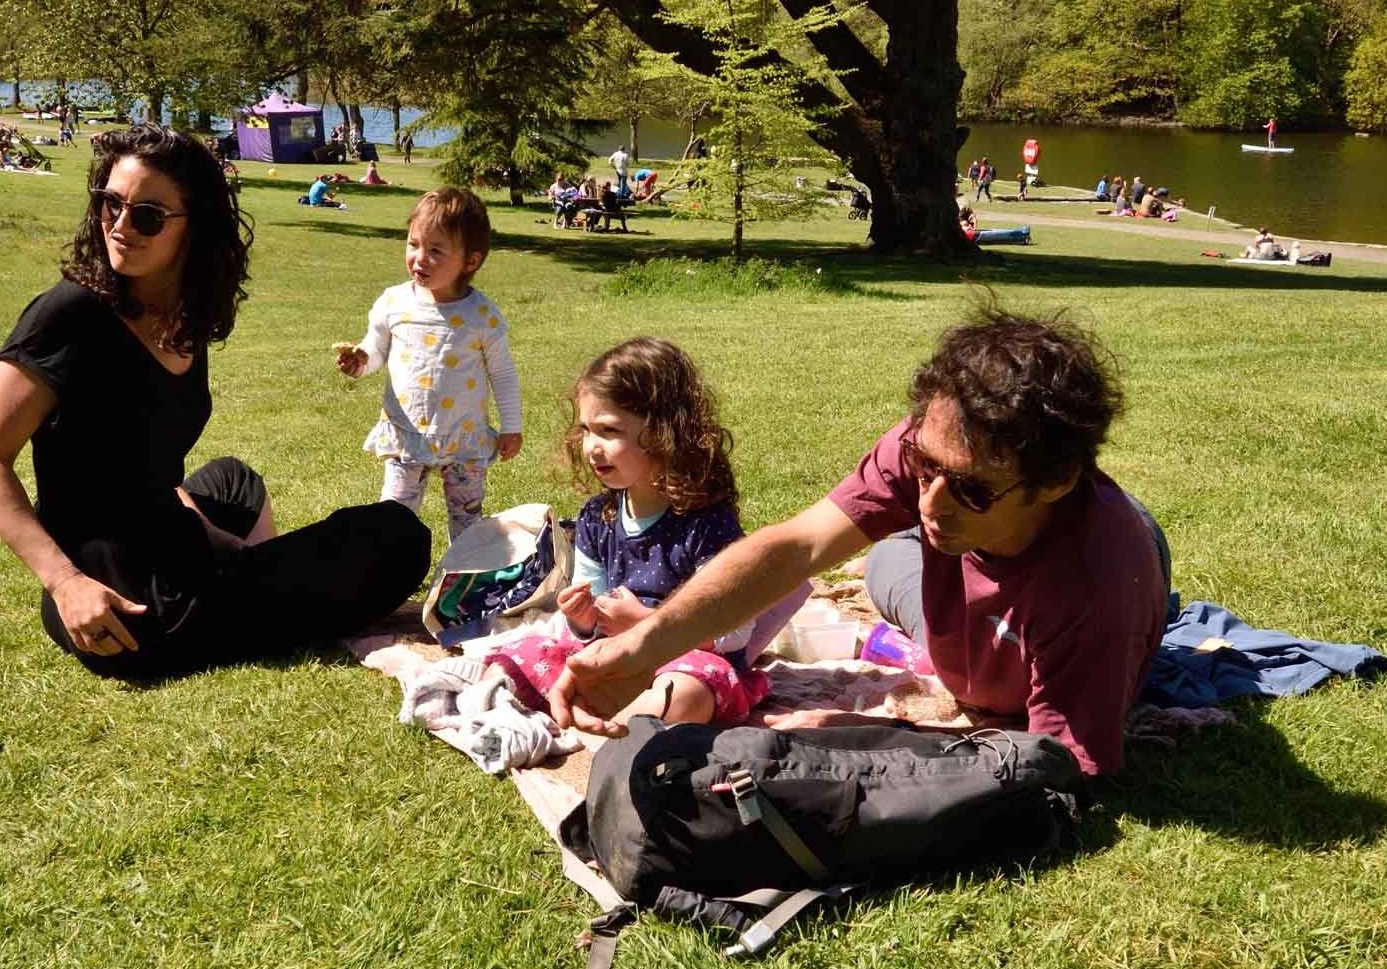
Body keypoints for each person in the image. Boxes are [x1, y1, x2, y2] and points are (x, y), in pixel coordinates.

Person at [550, 308, 1171, 780]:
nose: (930, 502)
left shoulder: (1093, 590)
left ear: (1053, 483)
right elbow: (797, 547)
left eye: (972, 491)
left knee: (994, 666)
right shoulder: (942, 444)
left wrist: (866, 749)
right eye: (923, 468)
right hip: (963, 586)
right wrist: (638, 647)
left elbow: (1055, 773)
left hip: (1103, 574)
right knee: (884, 557)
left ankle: (1153, 584)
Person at [0, 125, 430, 680]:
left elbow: (145, 467)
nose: (119, 226)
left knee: (234, 480)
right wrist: (65, 582)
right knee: (396, 536)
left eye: (147, 216)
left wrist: (205, 532)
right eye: (110, 204)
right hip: (124, 597)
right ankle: (251, 591)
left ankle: (247, 582)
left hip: (170, 540)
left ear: (195, 227)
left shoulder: (183, 319)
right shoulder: (69, 315)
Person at [472, 338, 803, 729]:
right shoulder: (599, 515)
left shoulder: (706, 524)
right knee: (528, 650)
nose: (592, 447)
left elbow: (734, 632)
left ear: (665, 433)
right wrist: (580, 619)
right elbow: (589, 615)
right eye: (586, 431)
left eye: (609, 431)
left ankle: (617, 733)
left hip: (682, 660)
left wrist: (646, 623)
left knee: (694, 688)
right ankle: (497, 712)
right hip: (613, 657)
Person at [333, 188, 522, 534]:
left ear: (470, 261)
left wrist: (512, 426)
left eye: (436, 250)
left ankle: (462, 581)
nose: (420, 258)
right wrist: (360, 363)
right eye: (413, 244)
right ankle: (386, 578)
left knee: (467, 523)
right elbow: (376, 350)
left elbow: (503, 372)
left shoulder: (481, 315)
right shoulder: (393, 302)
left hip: (464, 439)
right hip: (407, 436)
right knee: (390, 522)